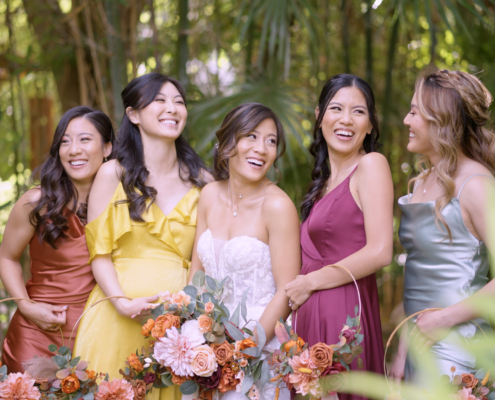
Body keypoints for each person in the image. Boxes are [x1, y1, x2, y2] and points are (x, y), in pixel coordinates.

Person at [72, 73, 209, 400]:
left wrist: (191, 317)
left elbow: (207, 256)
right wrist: (121, 302)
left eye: (178, 102)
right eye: (159, 101)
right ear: (133, 114)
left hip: (179, 330)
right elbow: (99, 254)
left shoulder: (204, 181)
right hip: (115, 319)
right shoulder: (112, 173)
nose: (172, 108)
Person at [285, 74, 393, 400]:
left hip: (344, 316)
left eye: (358, 112)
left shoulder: (371, 166)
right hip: (309, 319)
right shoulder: (322, 184)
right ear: (319, 117)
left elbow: (380, 251)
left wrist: (310, 282)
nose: (346, 119)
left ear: (371, 125)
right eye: (336, 108)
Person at [189, 102, 301, 400]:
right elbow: (196, 274)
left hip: (260, 345)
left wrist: (244, 349)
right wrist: (193, 334)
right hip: (206, 346)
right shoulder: (209, 195)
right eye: (251, 136)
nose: (262, 149)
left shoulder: (278, 206)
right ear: (228, 143)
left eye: (271, 140)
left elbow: (286, 292)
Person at [390, 70, 495, 382]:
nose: (406, 121)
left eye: (414, 112)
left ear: (441, 119)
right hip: (418, 345)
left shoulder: (477, 185)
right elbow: (421, 276)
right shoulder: (423, 180)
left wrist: (444, 319)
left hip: (458, 348)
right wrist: (403, 349)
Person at [0, 106, 113, 372]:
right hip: (37, 332)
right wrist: (26, 307)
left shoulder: (123, 205)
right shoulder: (36, 202)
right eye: (65, 141)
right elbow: (6, 257)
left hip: (99, 336)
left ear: (107, 148)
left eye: (85, 139)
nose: (74, 149)